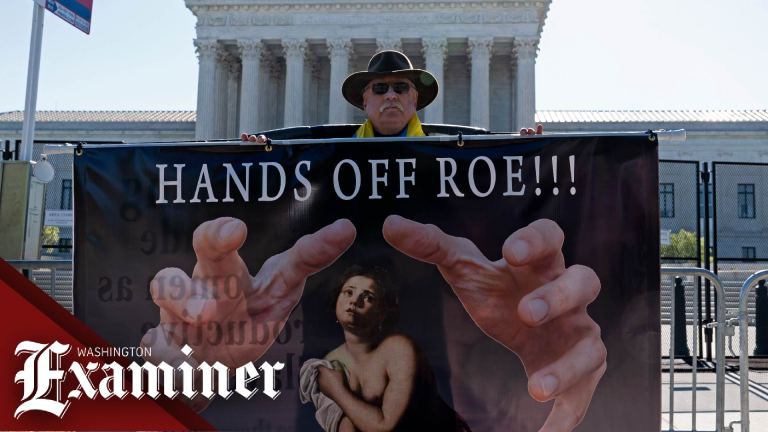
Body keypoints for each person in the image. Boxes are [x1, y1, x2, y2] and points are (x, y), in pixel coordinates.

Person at [144, 51, 605, 431]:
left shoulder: (452, 152)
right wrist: (259, 151)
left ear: (416, 99)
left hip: (427, 343)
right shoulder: (325, 157)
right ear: (364, 99)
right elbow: (285, 174)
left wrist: (526, 151)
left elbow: (494, 168)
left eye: (400, 87)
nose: (390, 95)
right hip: (329, 338)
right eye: (379, 87)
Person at [300, 265, 471, 432]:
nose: (354, 300)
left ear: (381, 312)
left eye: (368, 296)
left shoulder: (398, 349)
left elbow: (385, 426)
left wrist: (337, 390)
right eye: (348, 292)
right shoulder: (331, 362)